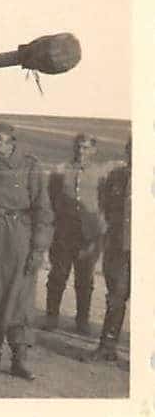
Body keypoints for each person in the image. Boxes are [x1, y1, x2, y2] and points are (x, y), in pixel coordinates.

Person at [0, 121, 53, 380]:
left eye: (0, 139)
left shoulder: (30, 166)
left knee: (20, 296)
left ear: (12, 142)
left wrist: (39, 248)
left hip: (20, 234)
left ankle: (19, 358)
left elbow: (43, 209)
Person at [44, 133, 105, 335]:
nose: (81, 151)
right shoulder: (61, 171)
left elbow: (105, 204)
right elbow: (51, 200)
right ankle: (52, 316)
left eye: (86, 148)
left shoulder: (100, 174)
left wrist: (98, 230)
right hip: (63, 233)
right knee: (58, 275)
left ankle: (82, 320)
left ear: (94, 151)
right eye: (78, 147)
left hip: (88, 236)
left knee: (85, 279)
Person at [88, 137, 131, 362]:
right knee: (116, 296)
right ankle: (107, 346)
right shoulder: (117, 176)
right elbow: (103, 205)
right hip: (119, 247)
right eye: (131, 148)